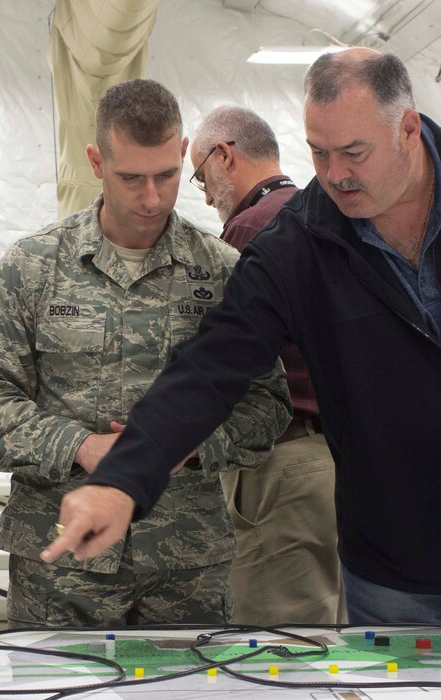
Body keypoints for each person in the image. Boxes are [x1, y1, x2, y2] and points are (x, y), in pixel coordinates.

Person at [43, 48, 441, 625]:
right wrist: (124, 478)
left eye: (354, 152)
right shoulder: (299, 243)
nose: (336, 175)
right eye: (318, 152)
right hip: (393, 567)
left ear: (407, 129)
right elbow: (209, 366)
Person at [0, 78, 291, 627]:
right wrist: (81, 447)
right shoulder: (35, 266)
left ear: (185, 155)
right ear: (96, 161)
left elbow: (269, 406)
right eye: (131, 178)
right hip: (61, 565)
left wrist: (188, 445)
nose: (152, 198)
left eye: (167, 175)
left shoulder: (222, 270)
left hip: (186, 562)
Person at [189, 106, 344, 624]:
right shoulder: (320, 214)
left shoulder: (250, 232)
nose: (206, 196)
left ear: (224, 155)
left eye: (198, 178)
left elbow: (220, 360)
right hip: (335, 456)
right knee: (328, 624)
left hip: (281, 464)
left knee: (276, 637)